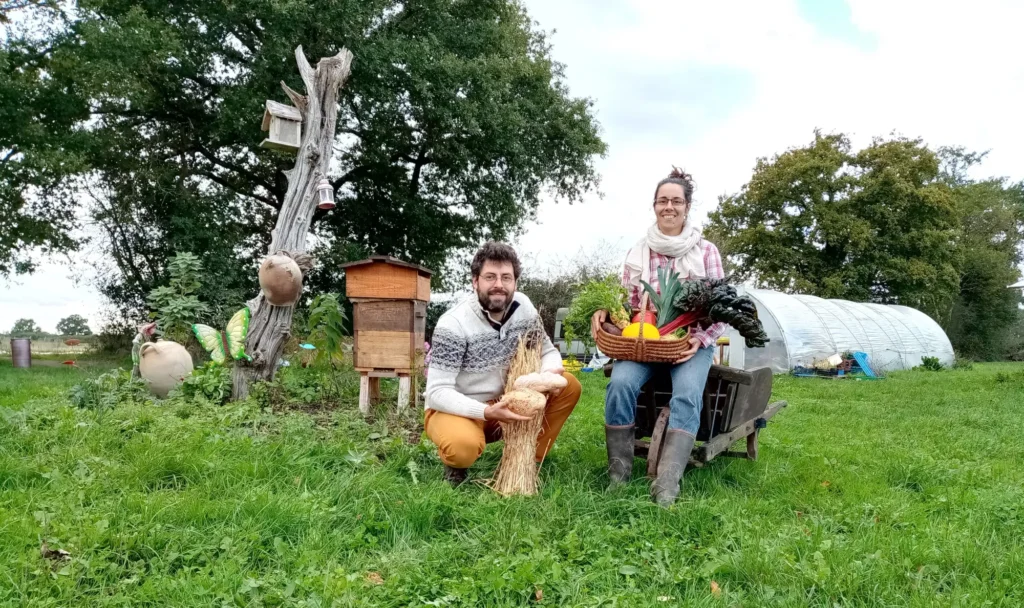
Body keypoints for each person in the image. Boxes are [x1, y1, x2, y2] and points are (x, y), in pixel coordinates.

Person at [591, 168, 727, 506]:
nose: (669, 206)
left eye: (676, 201)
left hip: (689, 344)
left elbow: (722, 309)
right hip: (644, 343)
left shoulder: (706, 251)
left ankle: (667, 484)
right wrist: (606, 312)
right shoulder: (639, 252)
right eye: (663, 200)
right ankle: (618, 476)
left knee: (687, 392)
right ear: (654, 206)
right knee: (620, 384)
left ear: (687, 206)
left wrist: (700, 339)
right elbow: (626, 302)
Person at [425, 242, 583, 486]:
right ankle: (456, 465)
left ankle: (528, 458)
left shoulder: (524, 308)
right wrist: (486, 412)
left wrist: (548, 374)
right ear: (475, 281)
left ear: (515, 282)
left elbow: (547, 351)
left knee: (568, 385)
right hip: (460, 409)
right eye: (490, 277)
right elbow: (437, 392)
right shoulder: (453, 324)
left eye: (506, 277)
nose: (499, 284)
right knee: (462, 447)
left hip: (508, 404)